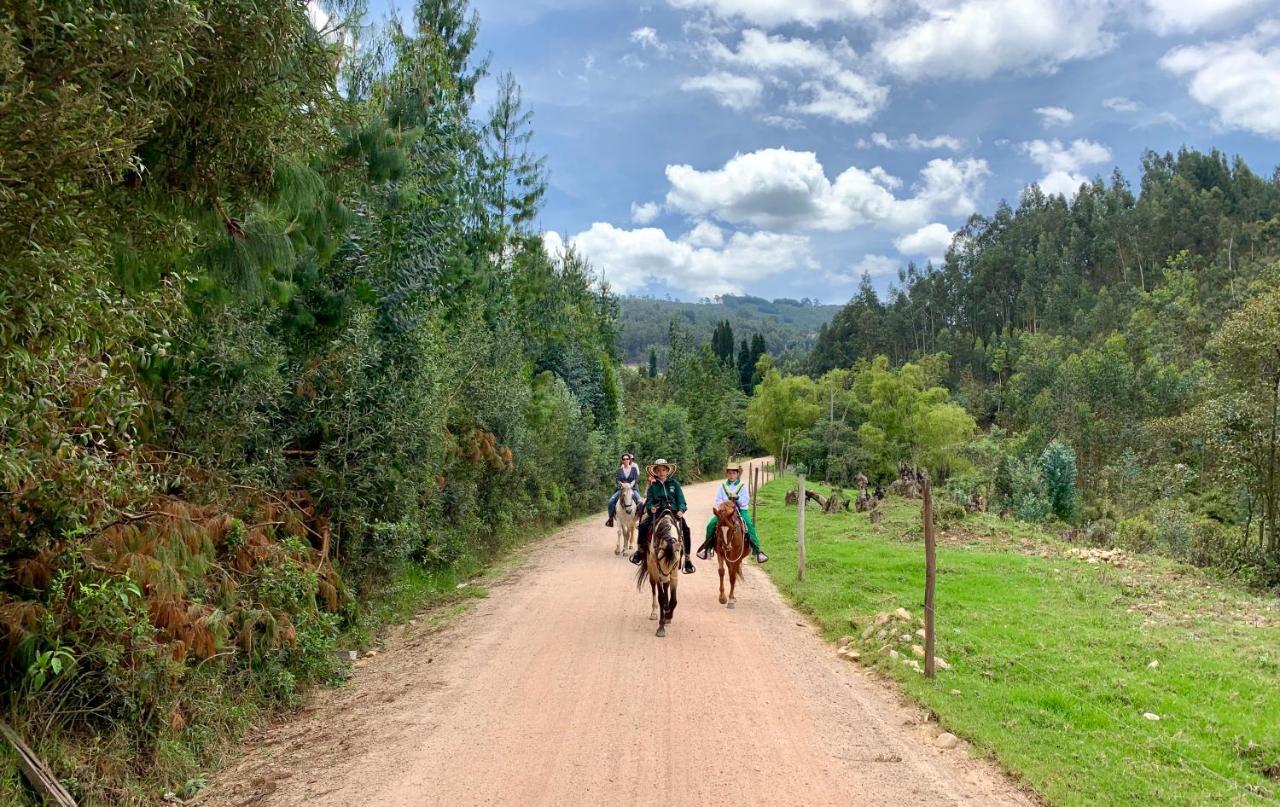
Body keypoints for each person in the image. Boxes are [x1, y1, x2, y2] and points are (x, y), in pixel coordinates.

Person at [629, 458, 695, 574]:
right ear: (655, 472)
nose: (661, 472)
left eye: (663, 470)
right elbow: (649, 501)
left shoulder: (675, 484)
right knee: (643, 525)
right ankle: (640, 551)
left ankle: (688, 559)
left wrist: (681, 509)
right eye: (658, 470)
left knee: (686, 528)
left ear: (668, 471)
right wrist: (651, 508)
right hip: (658, 511)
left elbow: (681, 500)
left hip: (673, 511)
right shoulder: (653, 487)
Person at [695, 463, 767, 563]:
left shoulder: (742, 486)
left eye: (734, 473)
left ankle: (757, 551)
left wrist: (737, 498)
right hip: (725, 511)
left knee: (749, 524)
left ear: (737, 474)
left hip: (740, 509)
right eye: (729, 473)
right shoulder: (722, 486)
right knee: (711, 524)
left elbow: (746, 500)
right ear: (727, 474)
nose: (731, 475)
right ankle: (707, 548)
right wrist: (726, 504)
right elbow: (718, 499)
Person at [604, 452, 641, 528]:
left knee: (640, 502)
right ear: (622, 460)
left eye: (627, 459)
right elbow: (617, 479)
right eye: (624, 459)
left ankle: (639, 520)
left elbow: (635, 479)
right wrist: (622, 484)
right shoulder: (619, 470)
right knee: (611, 501)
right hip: (622, 489)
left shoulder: (633, 469)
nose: (626, 460)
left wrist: (630, 485)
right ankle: (610, 519)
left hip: (632, 489)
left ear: (629, 460)